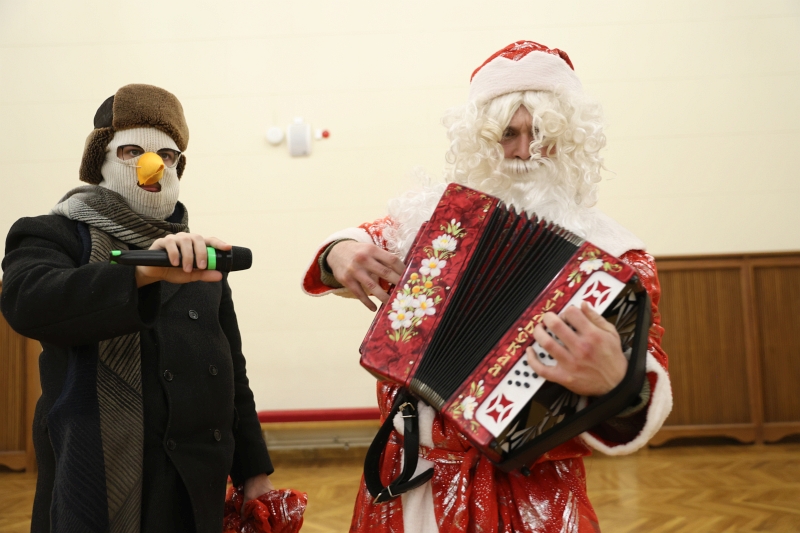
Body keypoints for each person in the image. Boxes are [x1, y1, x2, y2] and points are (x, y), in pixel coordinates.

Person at [301, 41, 673, 532]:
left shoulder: (616, 257)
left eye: (541, 134)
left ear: (569, 138)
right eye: (508, 134)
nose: (524, 151)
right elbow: (356, 247)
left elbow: (647, 380)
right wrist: (340, 251)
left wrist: (618, 383)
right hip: (409, 482)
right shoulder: (432, 223)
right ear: (481, 140)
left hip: (534, 495)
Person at [1, 84, 279, 533]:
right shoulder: (53, 233)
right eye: (132, 151)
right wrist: (141, 274)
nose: (154, 166)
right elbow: (27, 302)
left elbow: (231, 370)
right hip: (94, 477)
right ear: (101, 160)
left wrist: (253, 470)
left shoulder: (199, 255)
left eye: (167, 156)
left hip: (196, 483)